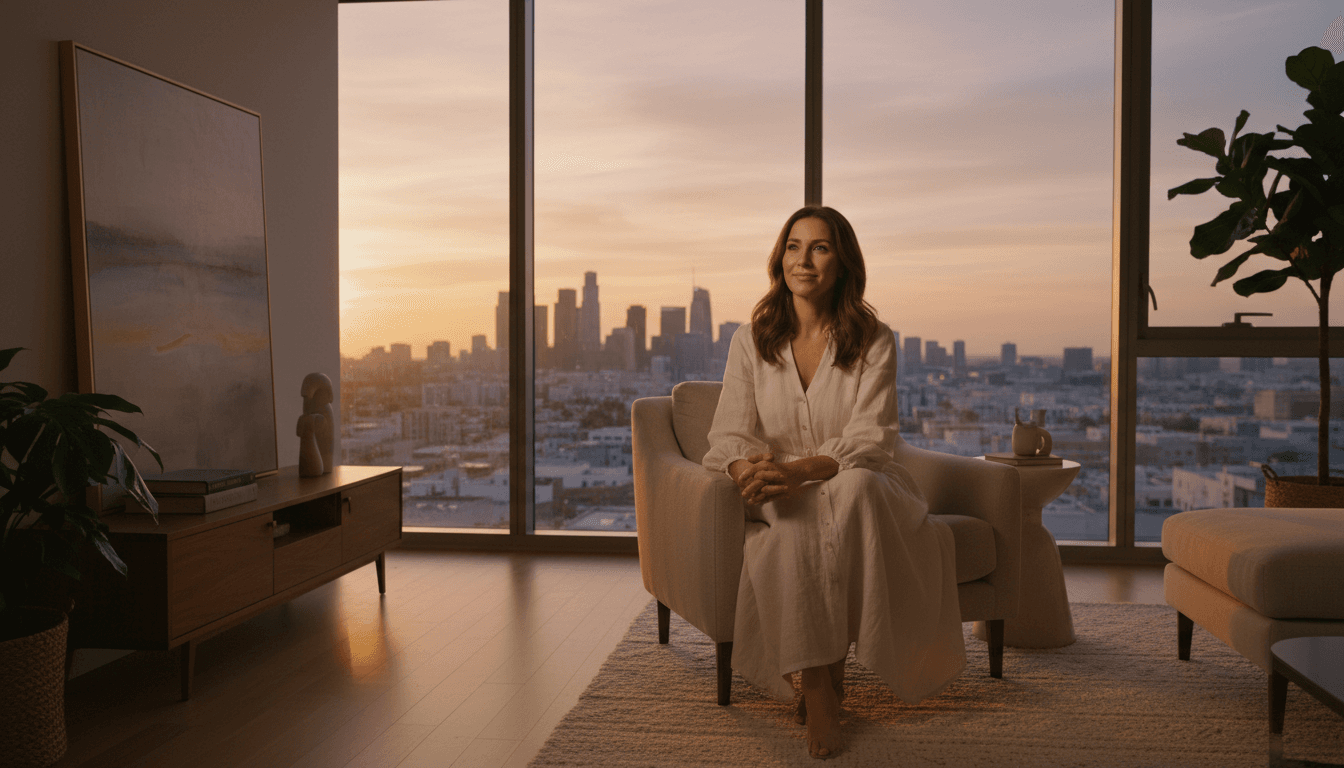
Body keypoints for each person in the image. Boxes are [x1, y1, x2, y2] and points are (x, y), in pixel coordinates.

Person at [700, 206, 965, 759]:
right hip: (778, 484)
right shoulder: (750, 341)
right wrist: (746, 469)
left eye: (819, 247)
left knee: (855, 490)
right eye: (794, 246)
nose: (804, 259)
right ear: (780, 259)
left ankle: (825, 677)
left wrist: (801, 470)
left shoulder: (875, 338)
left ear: (842, 261)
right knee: (795, 517)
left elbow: (871, 439)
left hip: (853, 477)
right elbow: (728, 433)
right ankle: (820, 687)